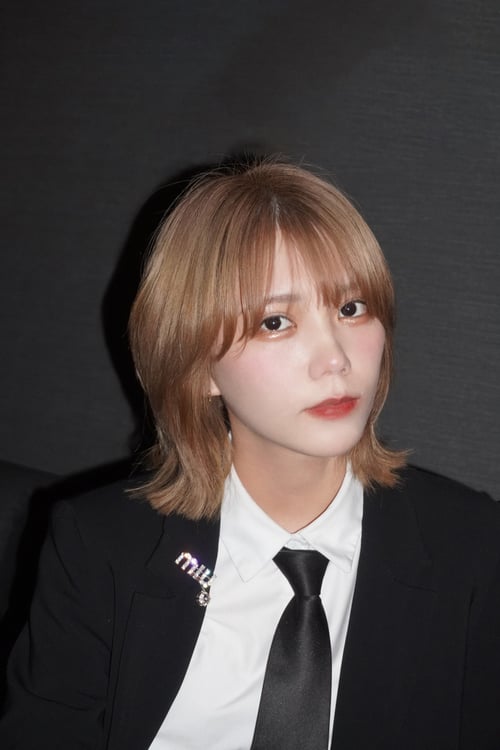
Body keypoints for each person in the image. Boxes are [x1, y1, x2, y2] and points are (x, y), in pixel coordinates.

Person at [1, 160, 499, 749]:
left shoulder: (473, 550)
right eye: (276, 321)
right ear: (197, 365)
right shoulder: (98, 548)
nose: (335, 359)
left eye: (351, 309)